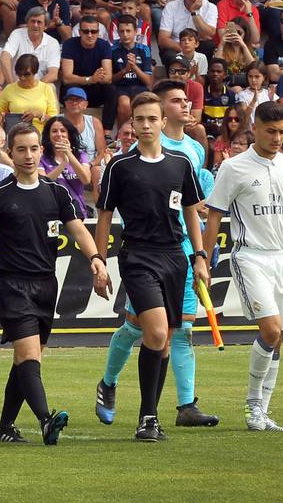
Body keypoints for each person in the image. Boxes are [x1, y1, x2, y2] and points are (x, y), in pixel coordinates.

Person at [0, 122, 110, 444]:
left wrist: (96, 260)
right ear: (10, 153)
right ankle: (46, 419)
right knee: (30, 357)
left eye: (34, 148)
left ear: (41, 150)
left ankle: (6, 427)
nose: (28, 155)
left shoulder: (57, 192)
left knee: (26, 360)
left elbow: (79, 230)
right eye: (21, 149)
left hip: (46, 287)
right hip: (12, 286)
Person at [203, 102, 283, 432]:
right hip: (250, 256)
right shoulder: (234, 168)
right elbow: (214, 215)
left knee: (280, 335)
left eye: (281, 131)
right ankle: (252, 404)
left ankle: (263, 410)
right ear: (255, 129)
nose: (277, 138)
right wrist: (202, 259)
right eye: (270, 131)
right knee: (271, 330)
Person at [92, 92, 211, 442]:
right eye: (138, 119)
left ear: (162, 122)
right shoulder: (120, 166)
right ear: (132, 124)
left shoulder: (180, 163)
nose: (145, 125)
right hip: (138, 255)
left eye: (151, 119)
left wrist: (200, 256)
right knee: (155, 333)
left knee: (167, 339)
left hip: (175, 256)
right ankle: (145, 415)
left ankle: (149, 418)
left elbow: (191, 210)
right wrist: (99, 261)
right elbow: (104, 216)